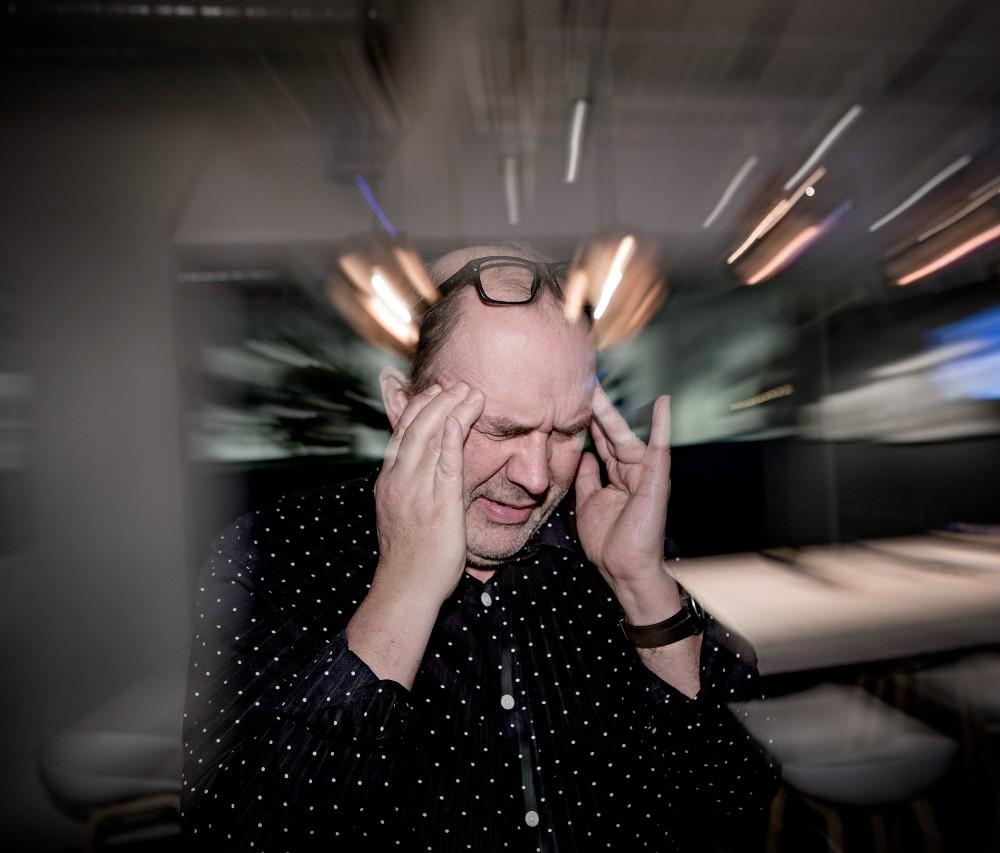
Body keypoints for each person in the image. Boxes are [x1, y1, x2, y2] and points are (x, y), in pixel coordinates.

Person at [181, 244, 778, 852]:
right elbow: (237, 835)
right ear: (402, 406)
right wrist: (405, 589)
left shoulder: (615, 539)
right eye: (498, 429)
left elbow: (739, 802)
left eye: (566, 432)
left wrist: (641, 586)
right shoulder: (279, 553)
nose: (536, 477)